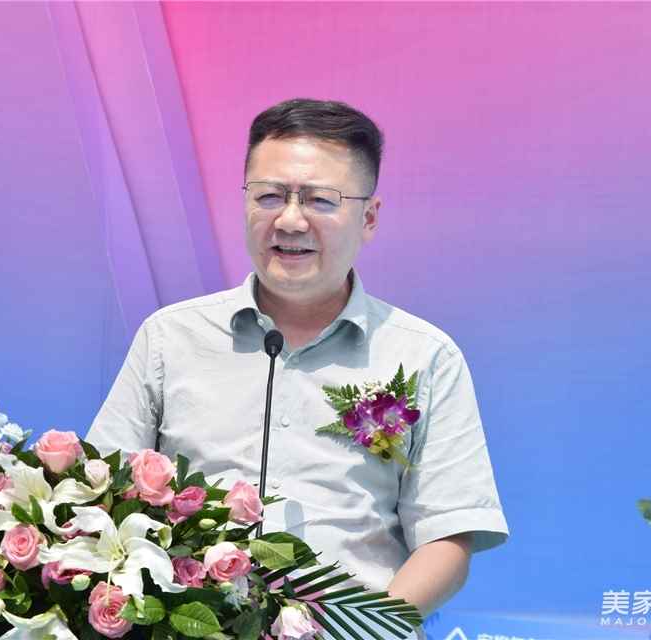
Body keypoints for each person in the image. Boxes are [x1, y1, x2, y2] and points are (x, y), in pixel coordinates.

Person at [86, 98, 508, 620]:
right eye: (268, 196)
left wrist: (366, 628)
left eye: (320, 200)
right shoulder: (170, 339)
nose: (289, 220)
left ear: (369, 217)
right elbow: (98, 494)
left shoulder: (423, 355)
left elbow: (448, 536)